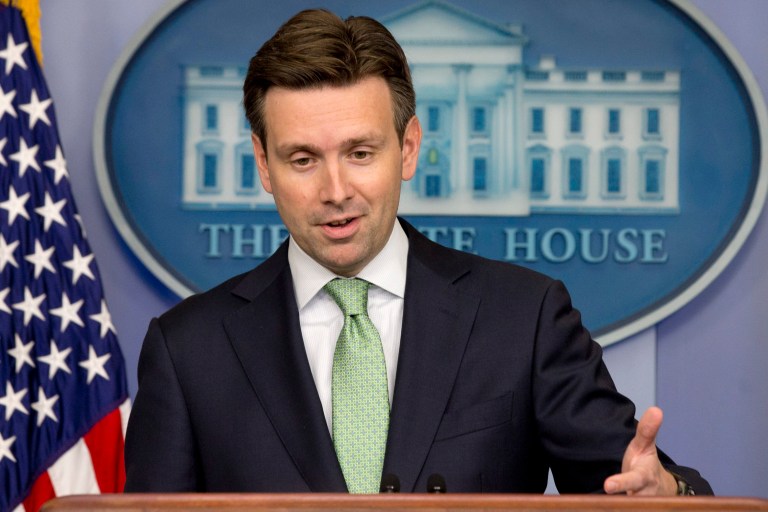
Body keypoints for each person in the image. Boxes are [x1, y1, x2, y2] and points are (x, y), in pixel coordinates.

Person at [124, 8, 712, 496]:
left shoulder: (524, 318)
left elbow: (631, 483)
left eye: (360, 152)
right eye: (303, 159)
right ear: (263, 164)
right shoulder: (188, 350)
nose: (335, 191)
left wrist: (666, 494)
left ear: (407, 149)